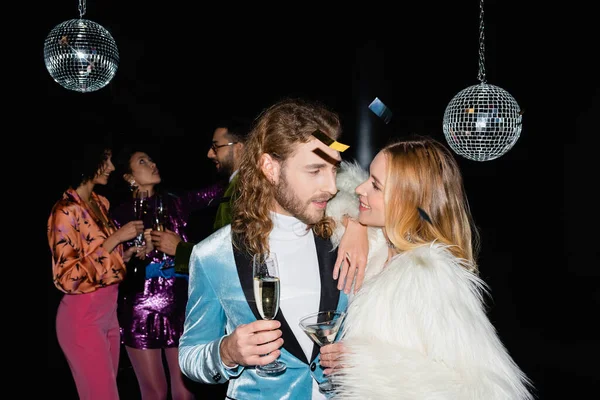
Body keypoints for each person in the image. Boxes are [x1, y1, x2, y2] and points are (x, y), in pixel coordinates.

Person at [178, 98, 367, 399]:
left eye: (333, 169)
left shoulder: (344, 236)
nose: (332, 187)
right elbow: (189, 357)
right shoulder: (213, 255)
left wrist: (359, 354)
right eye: (315, 170)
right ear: (270, 168)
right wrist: (226, 352)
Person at [319, 136, 534, 399]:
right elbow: (331, 189)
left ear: (406, 201)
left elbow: (488, 389)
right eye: (368, 179)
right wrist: (354, 224)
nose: (361, 189)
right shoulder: (376, 245)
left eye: (375, 185)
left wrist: (361, 363)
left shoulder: (431, 274)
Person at [111, 147, 223, 400]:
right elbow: (110, 264)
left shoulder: (175, 202)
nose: (152, 164)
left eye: (151, 159)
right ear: (129, 177)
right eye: (142, 161)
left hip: (180, 305)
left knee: (185, 391)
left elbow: (218, 191)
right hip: (140, 308)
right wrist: (133, 255)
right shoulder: (119, 215)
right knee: (155, 393)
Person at [47, 140, 146, 400]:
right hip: (82, 318)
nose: (112, 167)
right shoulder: (66, 211)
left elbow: (98, 262)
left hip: (108, 314)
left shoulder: (99, 203)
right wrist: (114, 240)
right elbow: (67, 278)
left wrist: (124, 255)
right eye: (106, 159)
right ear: (86, 160)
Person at [207, 117, 252, 231]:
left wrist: (180, 247)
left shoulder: (245, 188)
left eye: (216, 147)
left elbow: (231, 245)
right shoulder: (239, 185)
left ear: (238, 148)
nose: (210, 154)